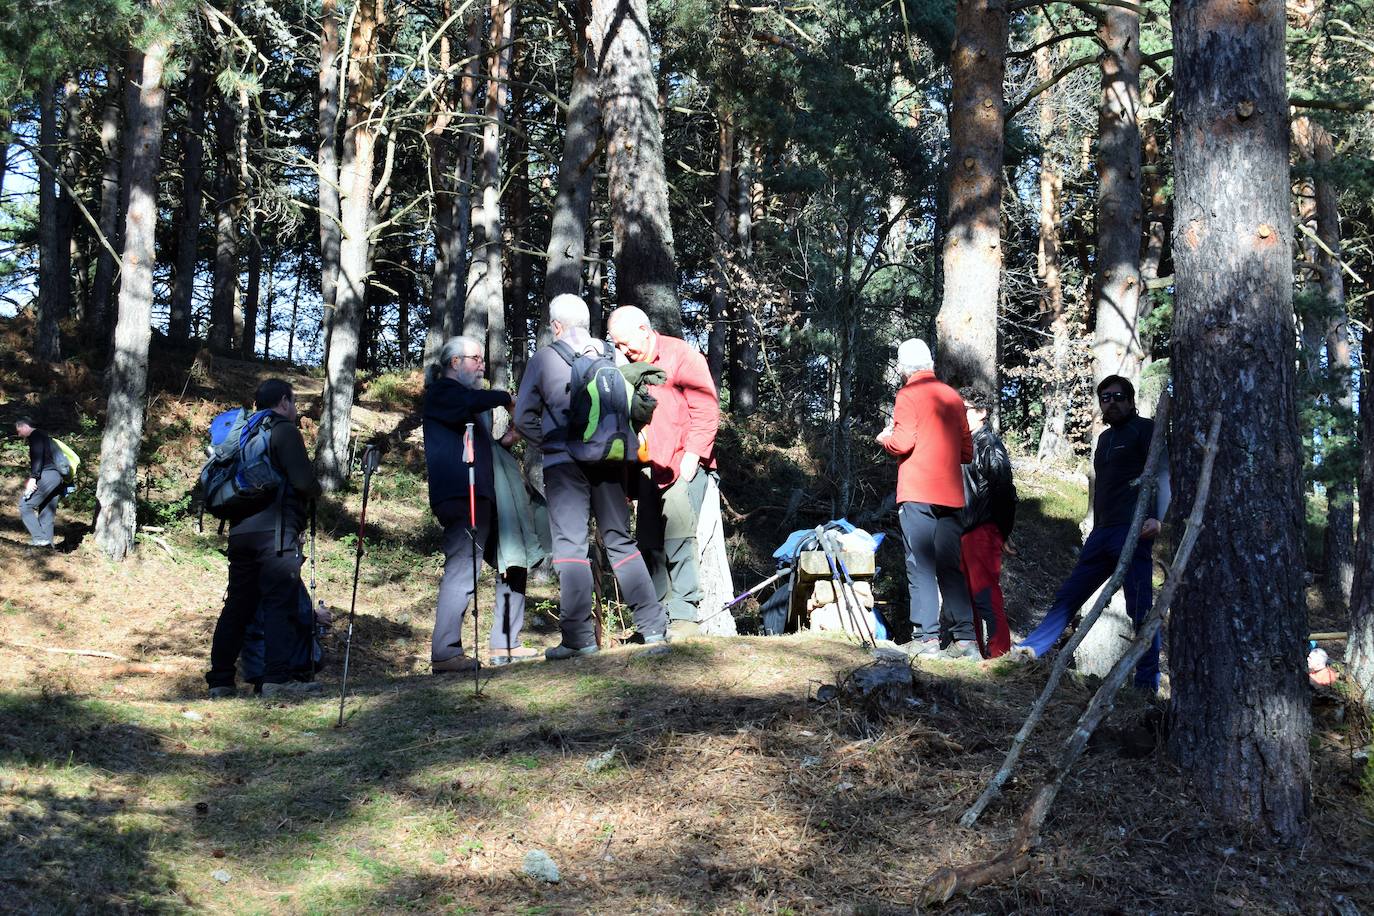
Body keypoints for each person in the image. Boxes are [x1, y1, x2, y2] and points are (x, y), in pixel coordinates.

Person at [513, 293, 669, 658]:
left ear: (555, 325)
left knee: (570, 548)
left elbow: (522, 419)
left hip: (564, 465)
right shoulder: (609, 354)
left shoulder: (545, 358)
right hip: (610, 458)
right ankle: (654, 629)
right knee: (620, 540)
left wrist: (551, 443)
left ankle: (579, 639)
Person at [1014, 374, 1170, 691]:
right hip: (1102, 533)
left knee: (1140, 609)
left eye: (1116, 396)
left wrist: (1157, 518)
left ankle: (1146, 685)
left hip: (1133, 530)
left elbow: (1164, 474)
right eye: (1104, 398)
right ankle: (1030, 650)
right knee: (1070, 594)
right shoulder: (1104, 440)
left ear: (1130, 401)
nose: (1110, 403)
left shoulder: (1146, 429)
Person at [423, 336, 539, 673]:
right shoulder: (443, 393)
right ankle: (445, 652)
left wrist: (505, 441)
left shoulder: (463, 401)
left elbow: (475, 439)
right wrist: (505, 398)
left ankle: (506, 641)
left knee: (511, 558)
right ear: (455, 362)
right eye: (476, 359)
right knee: (463, 568)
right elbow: (465, 404)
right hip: (463, 496)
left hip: (485, 494)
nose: (482, 366)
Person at [204, 379, 323, 699]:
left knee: (238, 606)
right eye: (294, 402)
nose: (296, 409)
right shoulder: (282, 430)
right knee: (278, 603)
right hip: (276, 531)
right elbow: (302, 481)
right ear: (284, 401)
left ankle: (220, 681)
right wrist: (316, 488)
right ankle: (276, 679)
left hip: (240, 531)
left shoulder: (244, 432)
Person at [607, 305, 720, 637]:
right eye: (618, 345)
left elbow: (706, 407)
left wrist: (693, 457)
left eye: (628, 343)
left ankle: (685, 617)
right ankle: (659, 620)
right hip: (644, 469)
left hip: (680, 464)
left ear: (644, 329)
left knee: (680, 540)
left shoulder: (680, 354)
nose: (624, 351)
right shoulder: (623, 367)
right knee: (650, 544)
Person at [876, 339, 977, 660]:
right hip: (951, 495)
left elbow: (903, 443)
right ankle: (966, 641)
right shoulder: (953, 396)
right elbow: (966, 451)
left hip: (918, 492)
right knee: (951, 567)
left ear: (904, 369)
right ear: (930, 363)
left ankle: (926, 640)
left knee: (920, 565)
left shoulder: (907, 395)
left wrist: (885, 438)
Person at [956, 386, 1017, 658]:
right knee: (967, 596)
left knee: (985, 594)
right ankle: (977, 654)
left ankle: (999, 654)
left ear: (981, 413)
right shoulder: (963, 442)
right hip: (963, 528)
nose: (958, 413)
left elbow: (1004, 490)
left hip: (983, 528)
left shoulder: (988, 443)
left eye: (964, 408)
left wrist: (1001, 532)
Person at [15, 418, 65, 549]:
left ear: (25, 427)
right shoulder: (44, 435)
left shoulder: (35, 435)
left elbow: (38, 457)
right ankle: (48, 549)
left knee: (24, 505)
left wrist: (34, 477)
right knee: (46, 514)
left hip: (47, 475)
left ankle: (40, 539)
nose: (19, 435)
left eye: (19, 431)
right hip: (57, 478)